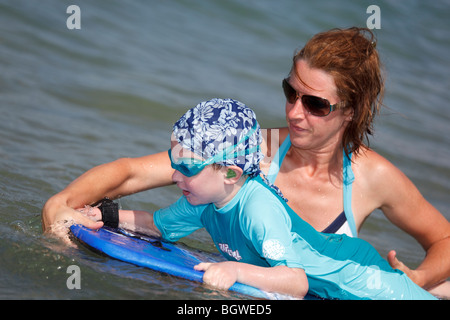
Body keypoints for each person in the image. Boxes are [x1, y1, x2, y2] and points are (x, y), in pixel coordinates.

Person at [42, 27, 450, 296]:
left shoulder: (372, 176)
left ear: (351, 112)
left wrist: (418, 280)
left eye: (315, 104)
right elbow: (130, 172)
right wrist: (69, 205)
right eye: (290, 92)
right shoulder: (251, 149)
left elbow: (444, 241)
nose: (293, 112)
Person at [79, 98, 435, 299]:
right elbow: (156, 226)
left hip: (365, 282)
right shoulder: (201, 200)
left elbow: (296, 282)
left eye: (186, 166)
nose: (174, 175)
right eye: (174, 162)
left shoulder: (256, 209)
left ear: (230, 173)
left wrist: (233, 269)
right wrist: (104, 215)